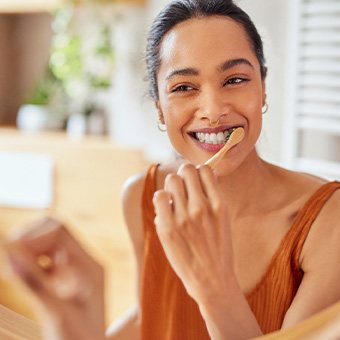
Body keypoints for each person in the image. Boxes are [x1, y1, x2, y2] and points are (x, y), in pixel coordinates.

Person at [4, 0, 340, 339]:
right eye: (183, 87)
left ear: (263, 88)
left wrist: (214, 285)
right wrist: (78, 326)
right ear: (160, 110)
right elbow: (149, 315)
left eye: (235, 79)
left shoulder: (328, 221)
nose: (212, 110)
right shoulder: (143, 195)